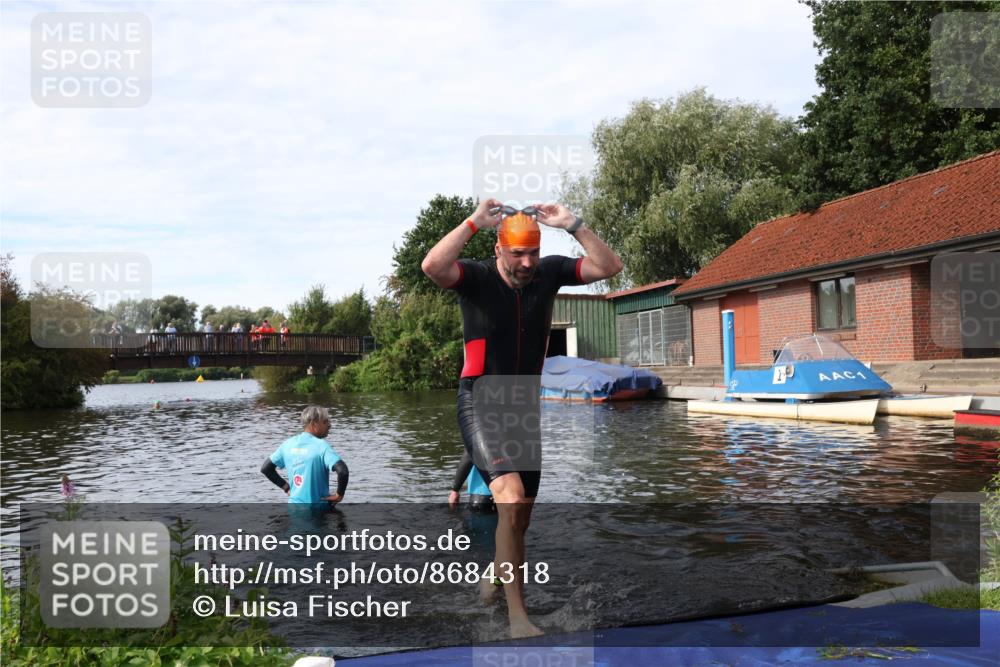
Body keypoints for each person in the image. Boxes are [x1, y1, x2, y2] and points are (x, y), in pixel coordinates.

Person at [421, 199, 623, 637]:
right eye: (518, 253)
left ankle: (490, 585)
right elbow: (433, 265)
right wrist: (474, 221)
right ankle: (517, 619)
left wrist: (573, 224)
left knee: (521, 519)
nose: (528, 262)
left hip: (522, 410)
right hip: (481, 400)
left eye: (532, 252)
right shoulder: (474, 278)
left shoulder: (549, 272)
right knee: (509, 500)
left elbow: (609, 267)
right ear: (499, 250)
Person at [261, 406, 349, 505]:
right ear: (313, 424)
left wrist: (286, 487)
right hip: (317, 511)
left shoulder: (287, 444)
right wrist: (339, 495)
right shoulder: (321, 446)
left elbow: (266, 468)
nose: (329, 425)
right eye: (325, 422)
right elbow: (343, 471)